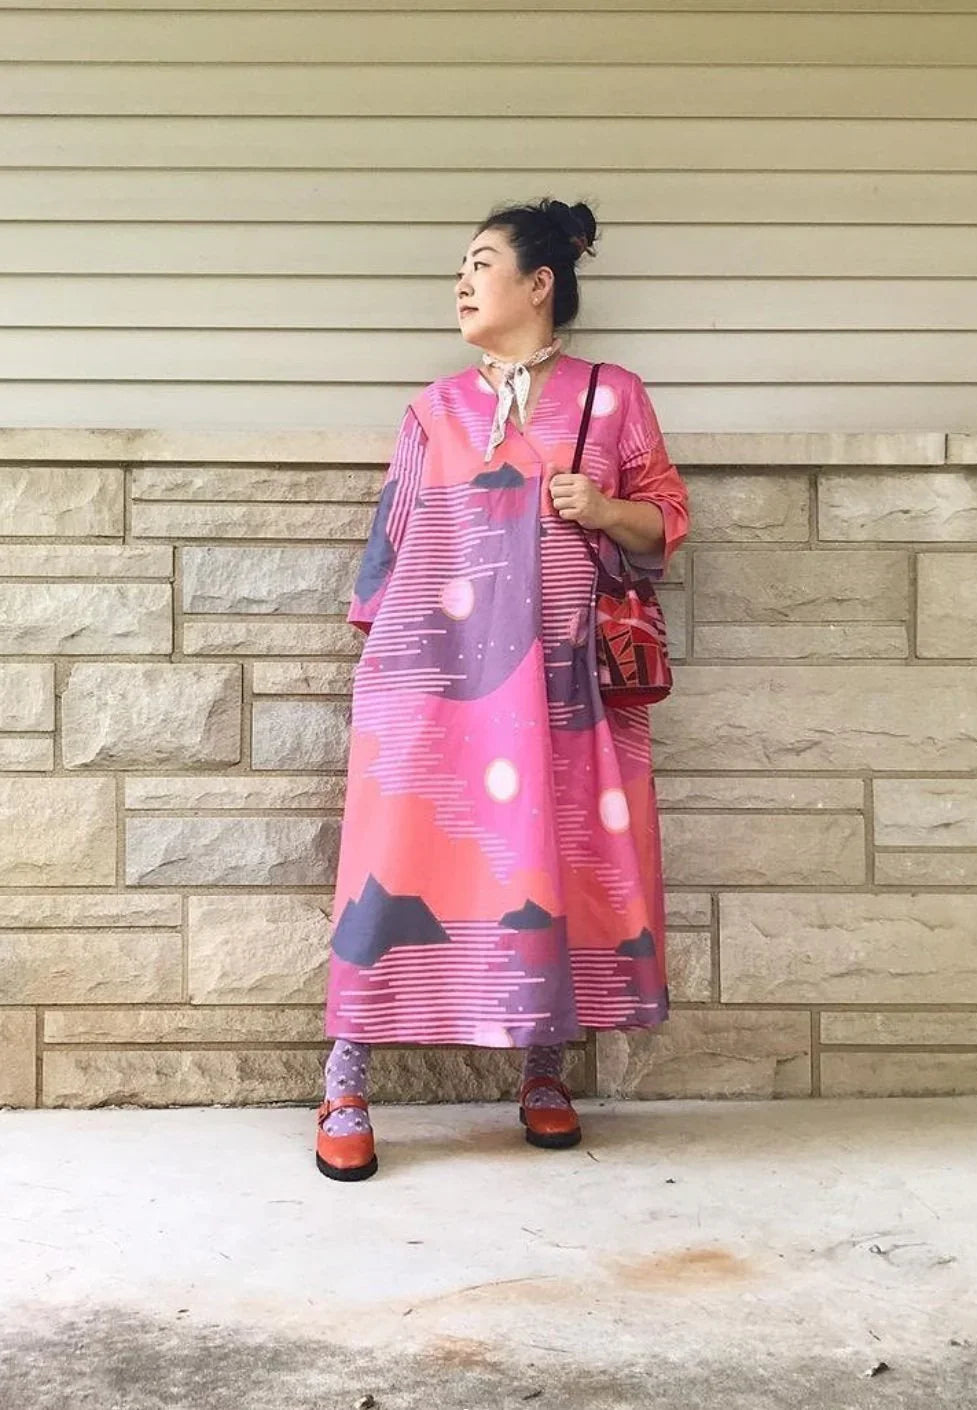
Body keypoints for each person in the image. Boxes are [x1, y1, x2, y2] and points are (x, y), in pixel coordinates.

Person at [314, 198, 690, 1181]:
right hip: (431, 691)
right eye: (460, 267)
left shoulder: (614, 398)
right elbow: (387, 549)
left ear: (539, 284)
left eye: (481, 263)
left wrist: (608, 509)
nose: (461, 282)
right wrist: (385, 680)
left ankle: (543, 1073)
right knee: (391, 868)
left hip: (566, 690)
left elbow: (667, 523)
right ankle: (344, 1080)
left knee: (549, 864)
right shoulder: (432, 411)